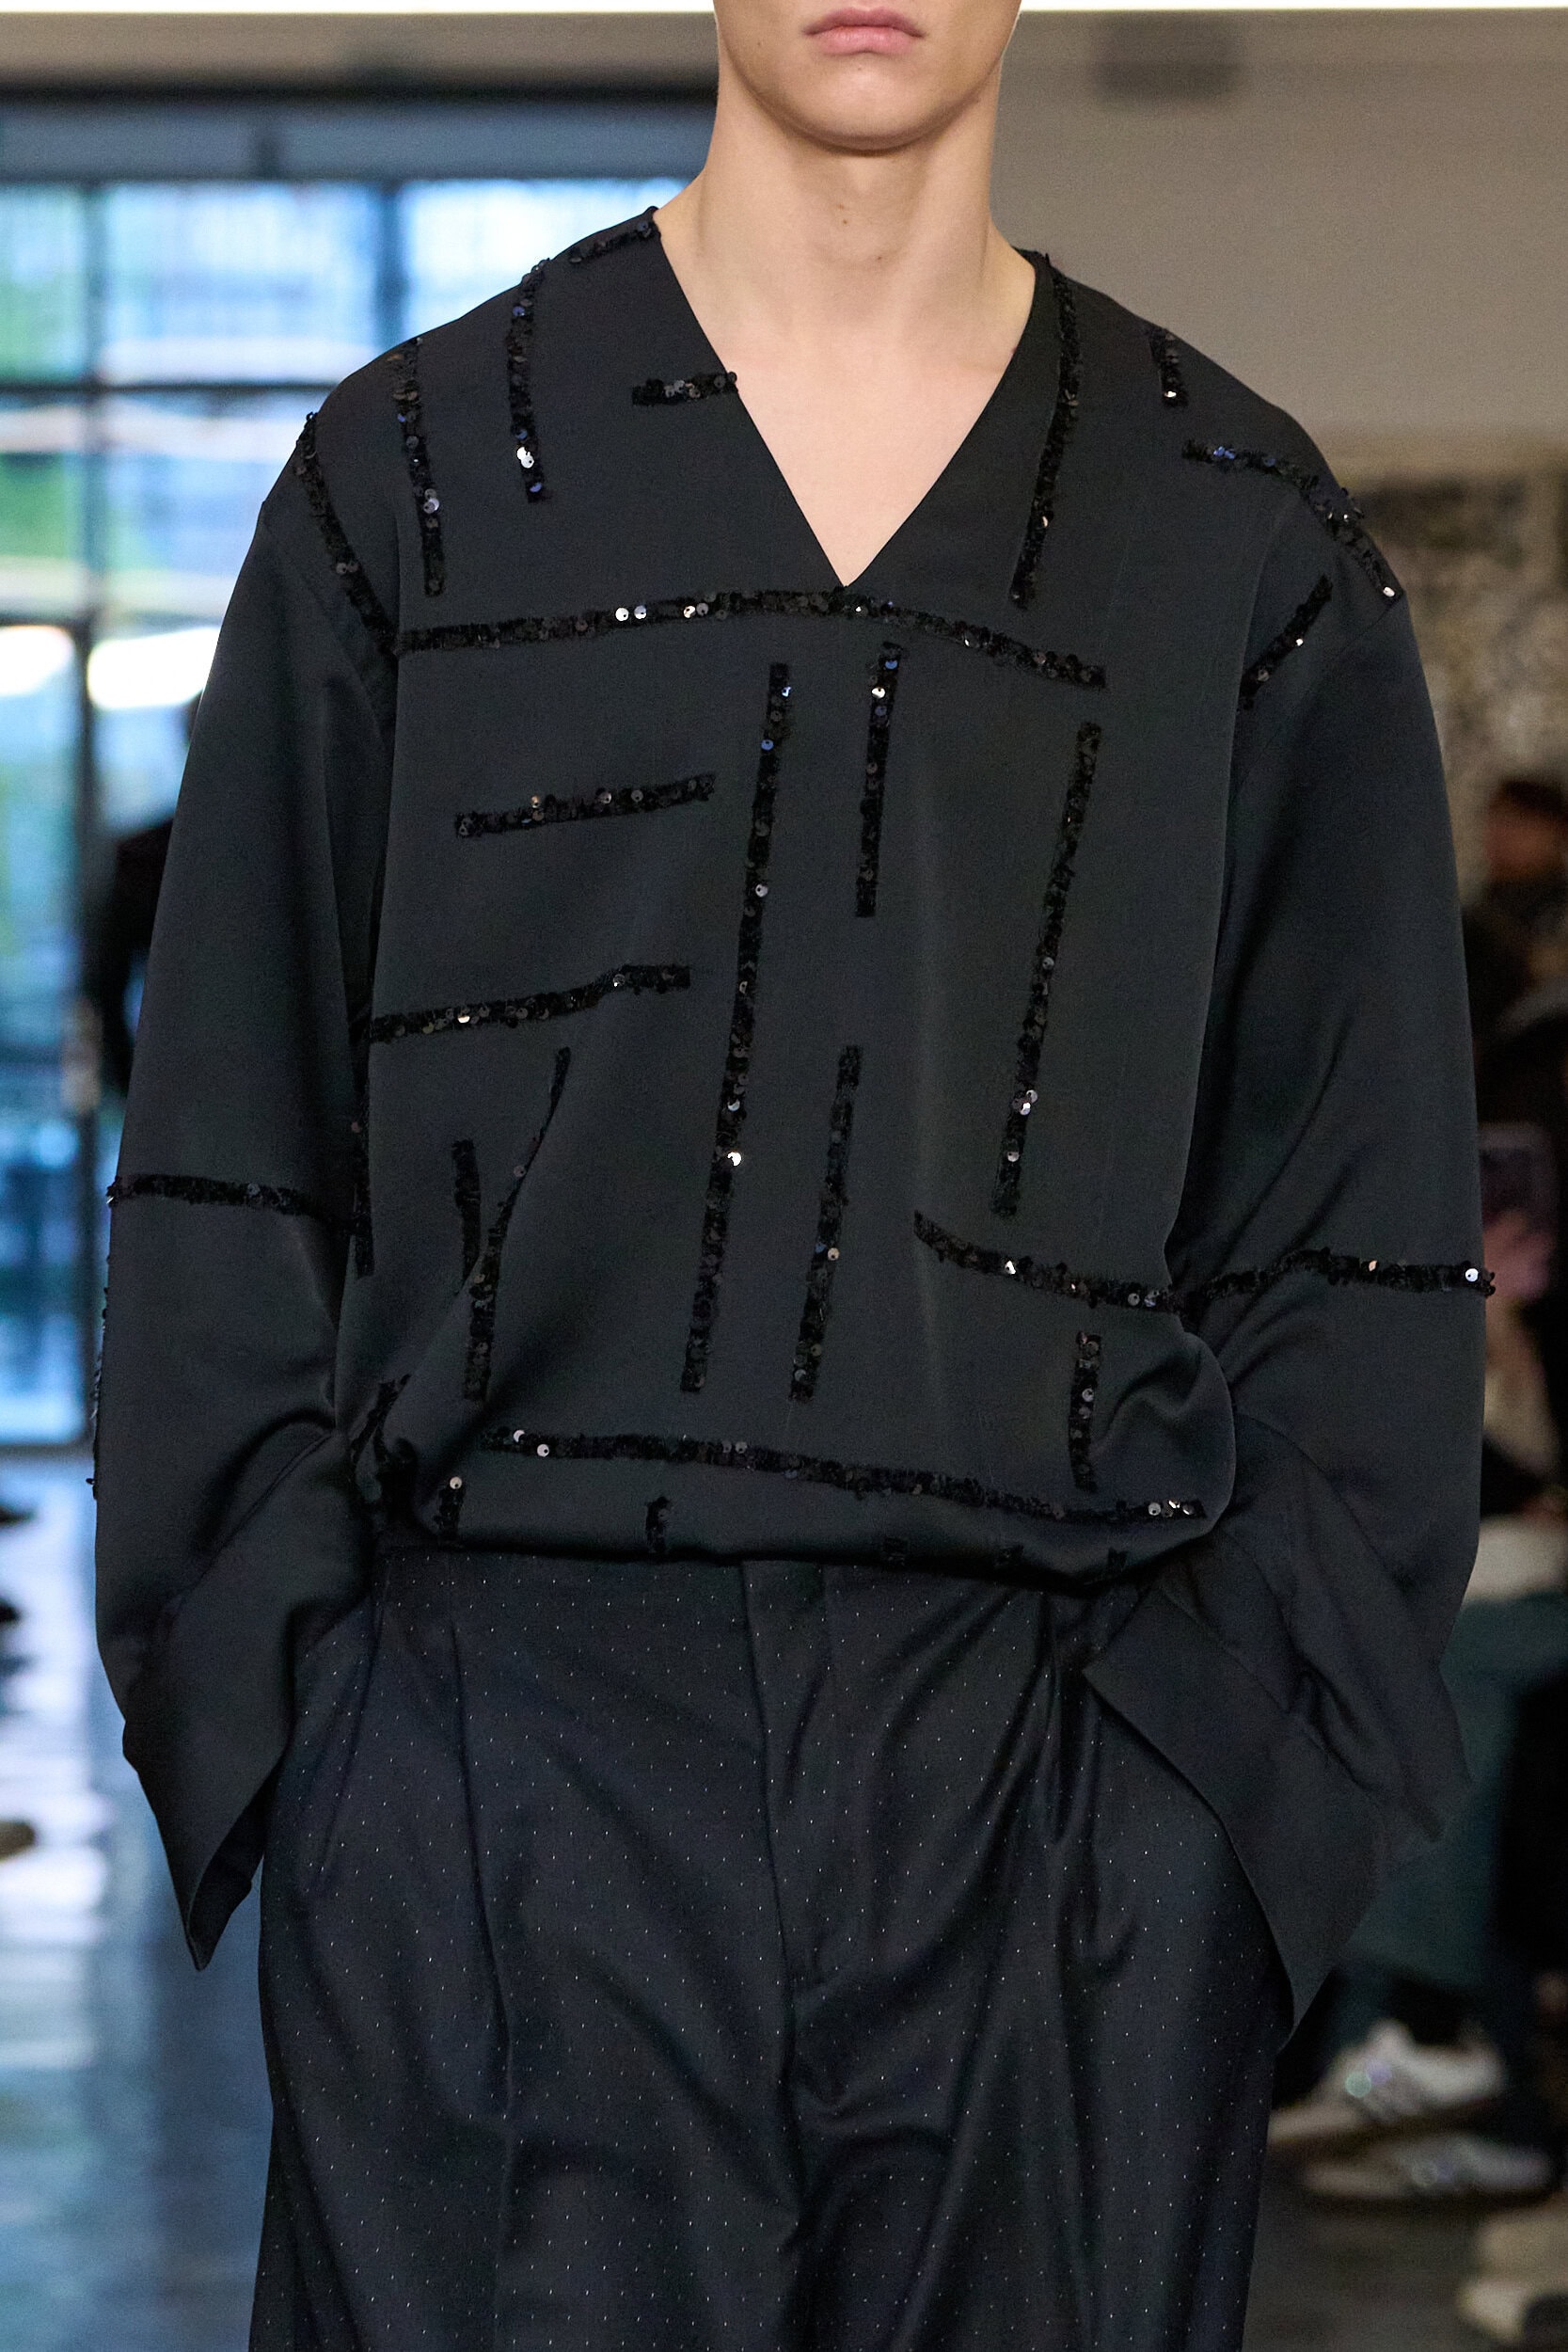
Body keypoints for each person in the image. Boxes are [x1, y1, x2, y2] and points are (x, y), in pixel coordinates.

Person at [92, 0, 1486, 2340]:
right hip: (496, 1746)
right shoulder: (414, 477)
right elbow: (233, 1141)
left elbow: (1359, 1208)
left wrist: (1217, 1812)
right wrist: (327, 1755)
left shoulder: (1235, 530)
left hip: (1065, 1756)